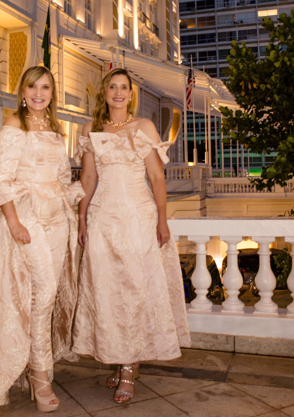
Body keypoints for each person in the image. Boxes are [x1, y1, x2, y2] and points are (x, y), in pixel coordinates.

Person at [0, 66, 84, 412]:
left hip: (57, 216)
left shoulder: (56, 128)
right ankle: (39, 376)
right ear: (22, 91)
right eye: (32, 86)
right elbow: (2, 177)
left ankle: (38, 368)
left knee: (47, 295)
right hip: (26, 215)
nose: (38, 93)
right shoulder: (13, 124)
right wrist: (14, 222)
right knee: (43, 293)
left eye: (45, 87)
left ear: (52, 93)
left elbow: (62, 176)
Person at [72, 68, 190, 404]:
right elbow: (88, 179)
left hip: (138, 216)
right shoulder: (90, 129)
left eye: (124, 87)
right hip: (102, 219)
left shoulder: (144, 127)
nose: (119, 93)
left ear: (130, 94)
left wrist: (162, 221)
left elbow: (156, 178)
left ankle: (127, 367)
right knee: (108, 290)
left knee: (136, 289)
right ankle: (122, 357)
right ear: (105, 92)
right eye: (113, 87)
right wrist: (81, 218)